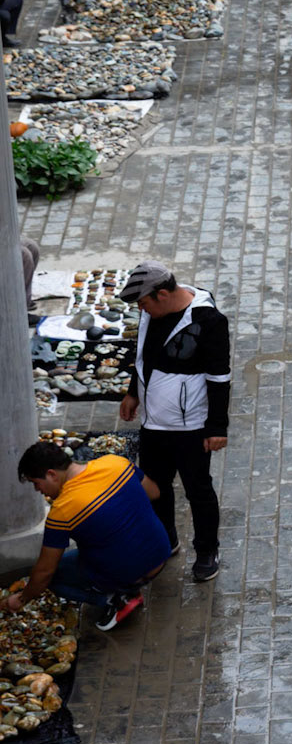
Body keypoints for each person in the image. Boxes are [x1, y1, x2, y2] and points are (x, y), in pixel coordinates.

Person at [116, 260, 230, 583]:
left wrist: (217, 428)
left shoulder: (208, 321)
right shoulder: (150, 313)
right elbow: (142, 356)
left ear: (163, 294)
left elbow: (220, 377)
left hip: (190, 427)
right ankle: (166, 539)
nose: (141, 309)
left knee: (198, 490)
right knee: (154, 487)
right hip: (153, 424)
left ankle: (207, 550)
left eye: (144, 303)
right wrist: (133, 393)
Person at [5, 441, 171, 632]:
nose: (37, 490)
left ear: (51, 474)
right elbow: (154, 492)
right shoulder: (116, 463)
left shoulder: (62, 511)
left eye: (36, 483)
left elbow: (44, 574)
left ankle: (116, 599)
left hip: (132, 572)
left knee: (53, 578)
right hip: (160, 553)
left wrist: (22, 598)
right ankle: (125, 586)